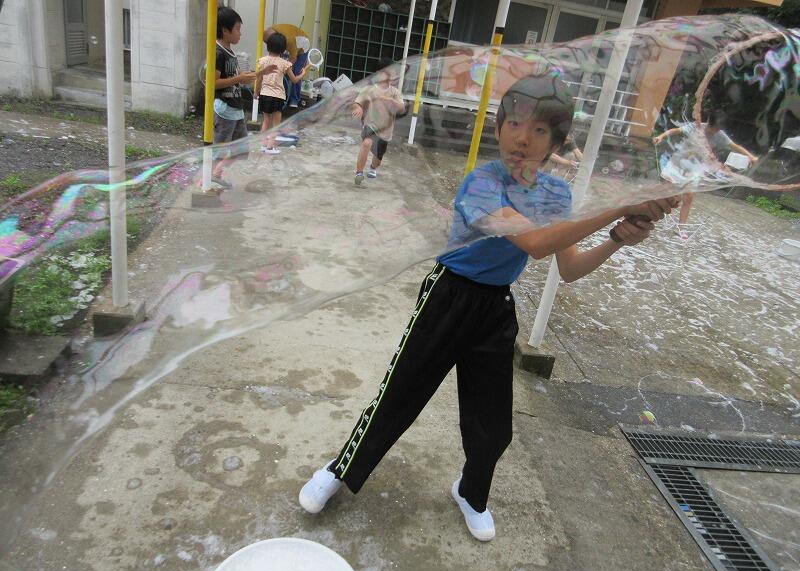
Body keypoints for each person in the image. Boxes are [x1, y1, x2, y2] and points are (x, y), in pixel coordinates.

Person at [299, 72, 679, 541]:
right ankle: (340, 469)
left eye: (539, 129)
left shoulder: (556, 194)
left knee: (493, 427)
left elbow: (570, 267)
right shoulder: (480, 183)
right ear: (499, 128)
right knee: (398, 397)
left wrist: (618, 238)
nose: (523, 137)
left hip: (496, 308)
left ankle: (470, 492)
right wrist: (621, 206)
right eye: (515, 123)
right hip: (447, 297)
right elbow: (535, 243)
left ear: (556, 142)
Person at [653, 110, 757, 238]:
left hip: (694, 168)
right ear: (708, 122)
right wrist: (661, 136)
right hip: (678, 164)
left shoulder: (720, 135)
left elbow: (735, 146)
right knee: (669, 195)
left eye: (718, 129)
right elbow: (675, 130)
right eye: (713, 128)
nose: (714, 131)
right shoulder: (695, 127)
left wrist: (751, 156)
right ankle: (650, 213)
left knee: (689, 196)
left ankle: (681, 227)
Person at [211, 7, 275, 188]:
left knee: (241, 151)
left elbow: (238, 78)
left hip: (236, 110)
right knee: (220, 151)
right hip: (224, 110)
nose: (240, 33)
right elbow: (213, 83)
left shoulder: (230, 51)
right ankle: (210, 178)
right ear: (225, 30)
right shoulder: (217, 52)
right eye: (237, 29)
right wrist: (239, 79)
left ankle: (215, 174)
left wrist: (262, 73)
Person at [351, 58, 405, 185]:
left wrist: (391, 101)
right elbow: (356, 102)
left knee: (378, 159)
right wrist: (358, 108)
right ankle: (359, 173)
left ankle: (373, 167)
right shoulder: (369, 89)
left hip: (385, 131)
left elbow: (402, 108)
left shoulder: (395, 92)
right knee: (367, 143)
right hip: (370, 125)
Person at [255, 32, 309, 154]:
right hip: (277, 97)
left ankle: (263, 145)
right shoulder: (284, 63)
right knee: (276, 124)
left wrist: (256, 92)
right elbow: (294, 80)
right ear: (283, 49)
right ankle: (270, 147)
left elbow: (259, 79)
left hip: (264, 95)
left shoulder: (262, 61)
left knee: (266, 121)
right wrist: (302, 74)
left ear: (268, 46)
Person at [262, 24, 311, 109]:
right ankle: (284, 97)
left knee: (296, 71)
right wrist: (301, 74)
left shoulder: (289, 40)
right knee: (286, 73)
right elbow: (294, 79)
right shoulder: (270, 32)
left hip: (303, 46)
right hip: (274, 97)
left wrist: (286, 68)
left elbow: (293, 58)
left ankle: (294, 100)